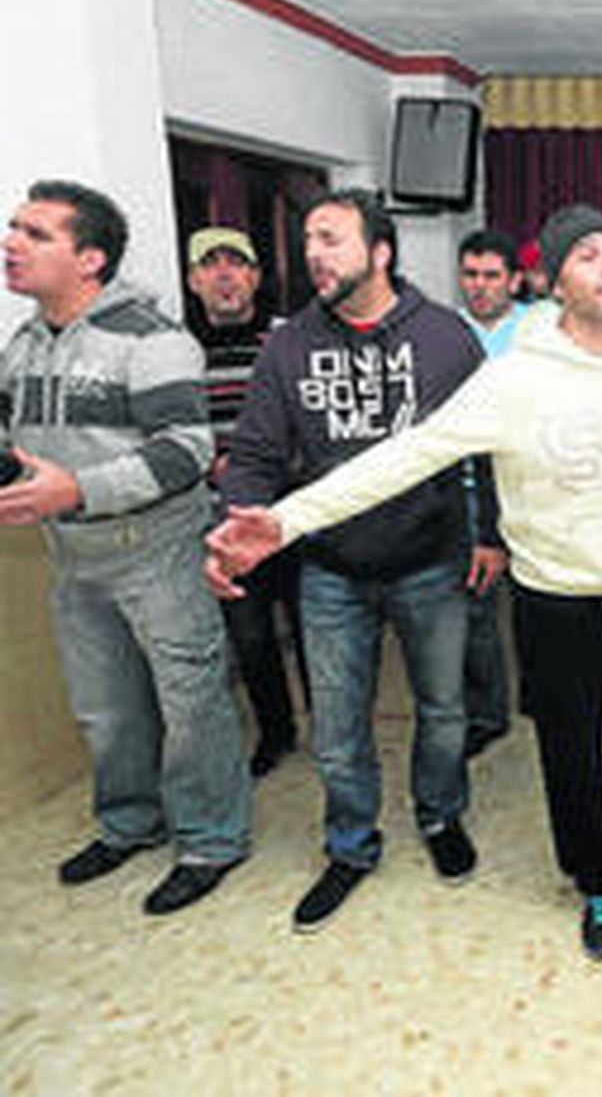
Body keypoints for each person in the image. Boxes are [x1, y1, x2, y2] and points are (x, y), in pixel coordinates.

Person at [207, 204, 602, 961]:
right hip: (556, 602)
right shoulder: (513, 379)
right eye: (590, 256)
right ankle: (597, 878)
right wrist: (286, 521)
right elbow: (407, 456)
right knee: (572, 751)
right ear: (556, 280)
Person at [218, 188, 491, 932]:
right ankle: (350, 844)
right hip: (330, 569)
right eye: (309, 240)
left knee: (443, 712)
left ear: (380, 252)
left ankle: (440, 816)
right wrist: (232, 525)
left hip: (430, 561)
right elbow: (255, 454)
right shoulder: (289, 345)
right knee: (337, 728)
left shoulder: (445, 338)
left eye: (331, 238)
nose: (314, 254)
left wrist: (488, 534)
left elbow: (486, 449)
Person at [0, 180, 250, 915]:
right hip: (73, 559)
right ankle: (129, 824)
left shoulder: (154, 339)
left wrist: (76, 488)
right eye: (14, 228)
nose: (13, 242)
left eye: (36, 234)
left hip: (156, 552)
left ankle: (210, 840)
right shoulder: (22, 344)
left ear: (91, 260)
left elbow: (185, 450)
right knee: (105, 710)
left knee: (191, 704)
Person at [186, 225, 306, 778]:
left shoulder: (293, 337)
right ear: (194, 280)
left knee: (315, 628)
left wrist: (270, 464)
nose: (226, 275)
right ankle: (276, 733)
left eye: (237, 263)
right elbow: (168, 428)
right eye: (211, 265)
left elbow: (316, 418)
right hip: (225, 520)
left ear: (257, 276)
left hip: (293, 510)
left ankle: (332, 728)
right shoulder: (177, 349)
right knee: (251, 635)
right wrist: (207, 462)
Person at [455, 230, 523, 759]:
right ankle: (487, 712)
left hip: (529, 485)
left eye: (491, 275)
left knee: (538, 598)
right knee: (476, 606)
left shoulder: (538, 330)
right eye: (470, 275)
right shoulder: (445, 332)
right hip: (468, 490)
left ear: (513, 280)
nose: (479, 286)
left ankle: (546, 692)